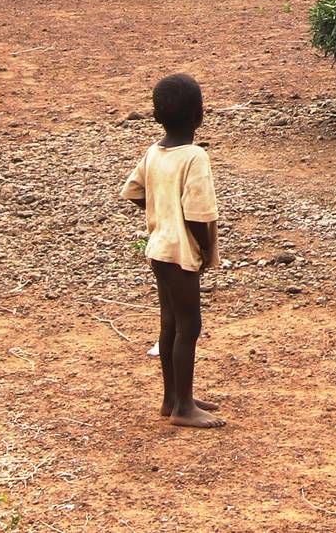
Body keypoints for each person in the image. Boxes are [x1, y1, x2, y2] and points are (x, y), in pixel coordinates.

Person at [121, 73, 224, 429]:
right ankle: (183, 407)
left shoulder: (154, 152)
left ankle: (172, 398)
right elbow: (199, 214)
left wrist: (161, 214)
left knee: (170, 324)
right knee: (190, 326)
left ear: (156, 116)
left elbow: (135, 191)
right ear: (200, 115)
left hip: (158, 248)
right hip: (181, 253)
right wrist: (206, 247)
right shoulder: (194, 157)